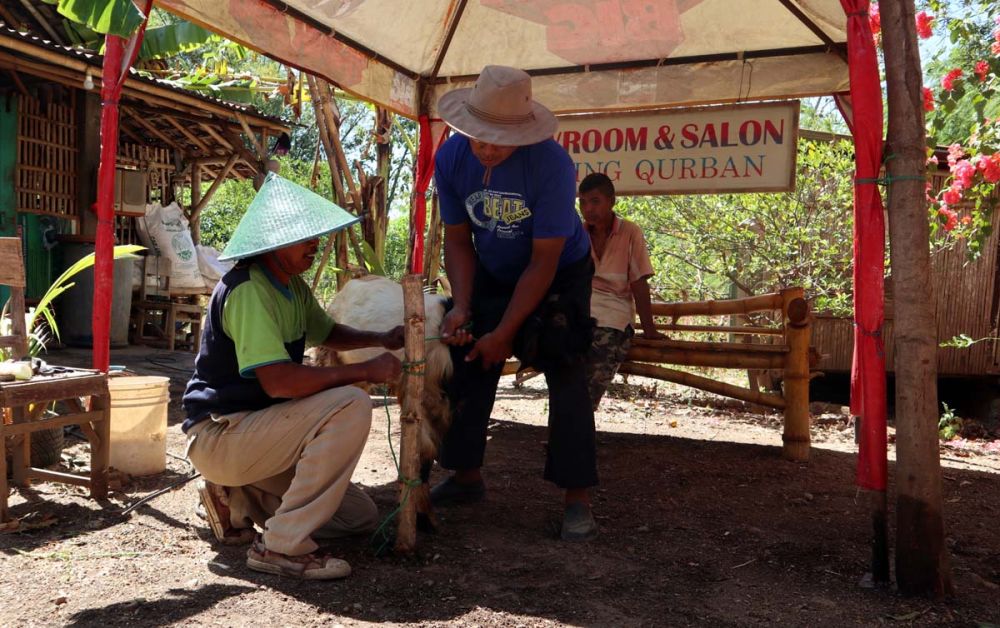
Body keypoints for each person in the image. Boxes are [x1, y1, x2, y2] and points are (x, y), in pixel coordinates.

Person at [181, 173, 404, 580]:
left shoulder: (291, 286)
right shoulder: (249, 290)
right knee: (351, 403)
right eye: (304, 238)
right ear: (274, 242)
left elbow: (328, 332)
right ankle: (280, 546)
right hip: (222, 434)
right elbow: (280, 383)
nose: (314, 245)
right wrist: (365, 370)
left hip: (255, 436)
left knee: (358, 517)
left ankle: (236, 498)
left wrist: (382, 339)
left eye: (314, 236)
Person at [431, 65, 599, 542]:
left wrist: (504, 335)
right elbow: (459, 240)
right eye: (479, 137)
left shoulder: (551, 165)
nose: (486, 148)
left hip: (559, 272)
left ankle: (577, 497)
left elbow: (543, 263)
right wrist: (463, 305)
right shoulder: (452, 157)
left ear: (523, 133)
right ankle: (466, 476)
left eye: (497, 140)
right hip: (494, 269)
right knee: (468, 356)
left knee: (565, 365)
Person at [578, 173, 665, 409]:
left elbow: (638, 282)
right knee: (563, 368)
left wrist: (649, 329)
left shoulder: (630, 232)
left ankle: (572, 434)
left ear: (612, 201)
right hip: (580, 312)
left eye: (595, 201)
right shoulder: (577, 233)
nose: (588, 208)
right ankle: (566, 434)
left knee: (592, 373)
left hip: (613, 317)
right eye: (583, 202)